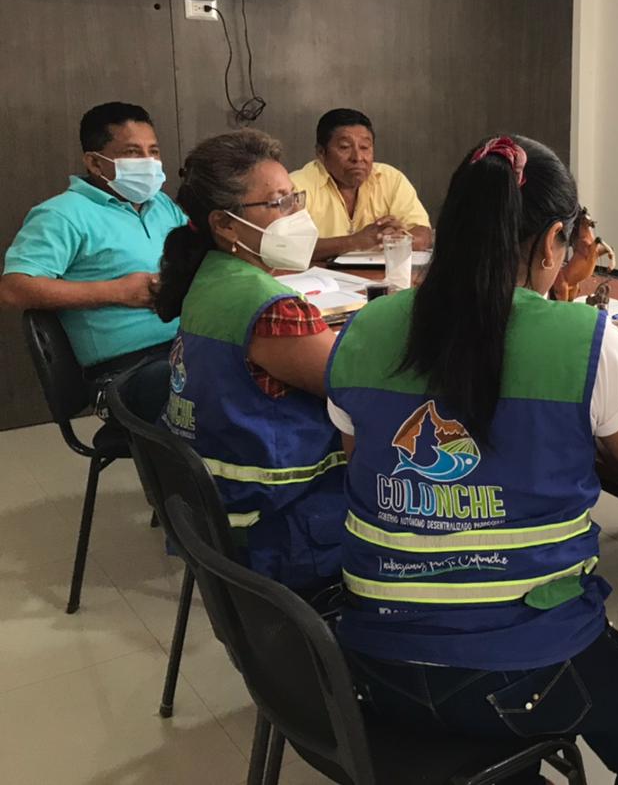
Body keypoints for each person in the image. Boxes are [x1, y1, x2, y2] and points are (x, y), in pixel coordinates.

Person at [327, 135, 618, 784]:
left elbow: (361, 459)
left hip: (372, 662)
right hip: (526, 663)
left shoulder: (367, 327)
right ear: (554, 242)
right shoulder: (582, 339)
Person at [154, 129, 345, 593]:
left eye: (294, 197)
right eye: (278, 203)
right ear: (225, 223)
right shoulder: (270, 307)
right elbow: (355, 383)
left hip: (216, 507)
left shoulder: (211, 274)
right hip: (280, 521)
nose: (296, 214)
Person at [0, 102, 188, 378]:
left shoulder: (161, 204)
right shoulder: (62, 214)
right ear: (94, 163)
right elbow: (13, 289)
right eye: (133, 152)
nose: (148, 162)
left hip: (185, 345)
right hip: (128, 369)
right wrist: (117, 292)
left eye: (154, 151)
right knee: (218, 387)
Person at [290, 108, 432, 260]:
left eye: (365, 147)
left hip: (379, 274)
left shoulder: (391, 179)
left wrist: (395, 239)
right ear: (321, 152)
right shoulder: (295, 186)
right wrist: (355, 242)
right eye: (345, 147)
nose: (358, 157)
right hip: (319, 275)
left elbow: (423, 234)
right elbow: (287, 248)